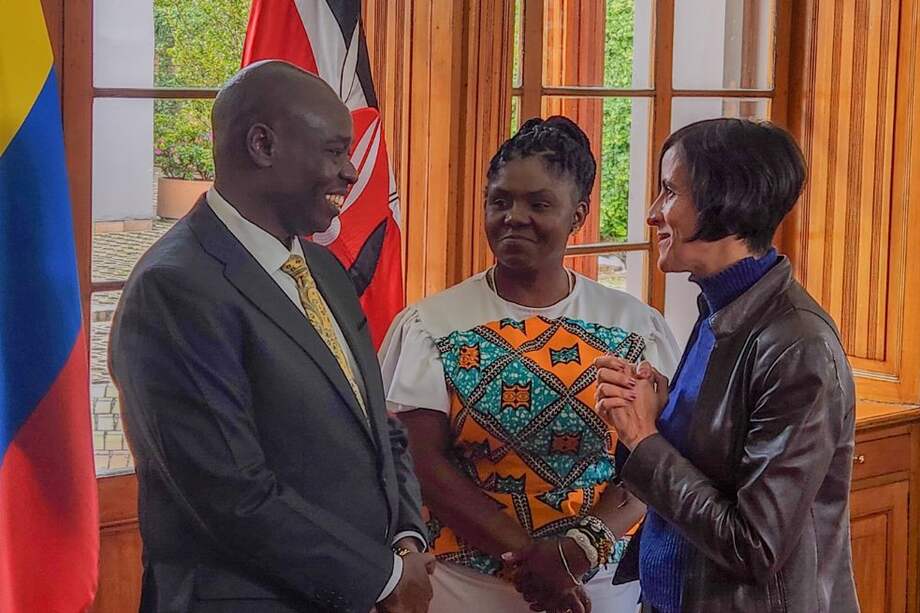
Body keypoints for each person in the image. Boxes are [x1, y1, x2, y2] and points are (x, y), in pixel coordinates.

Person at [109, 60, 434, 613]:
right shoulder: (176, 288)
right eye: (334, 151)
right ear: (262, 145)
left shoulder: (323, 269)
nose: (351, 172)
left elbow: (379, 426)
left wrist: (406, 540)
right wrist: (382, 580)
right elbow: (229, 493)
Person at [378, 116, 682, 613]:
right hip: (467, 589)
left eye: (539, 204)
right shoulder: (432, 325)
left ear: (578, 214)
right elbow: (423, 464)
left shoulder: (634, 327)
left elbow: (658, 457)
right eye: (500, 201)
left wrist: (576, 552)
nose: (514, 217)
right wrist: (535, 562)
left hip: (600, 585)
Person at [595, 118, 859, 613]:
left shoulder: (798, 346)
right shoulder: (721, 308)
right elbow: (716, 461)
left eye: (670, 192)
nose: (652, 213)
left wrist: (643, 438)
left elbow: (754, 546)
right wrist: (661, 409)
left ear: (726, 200)